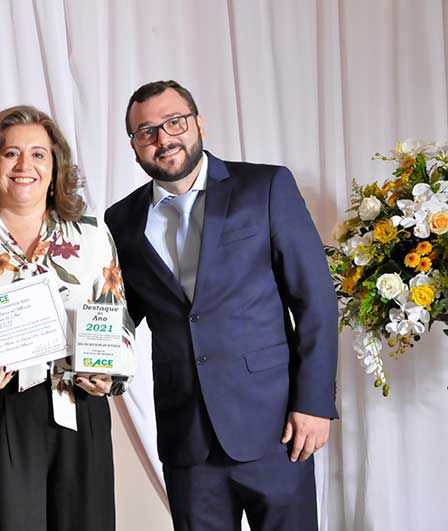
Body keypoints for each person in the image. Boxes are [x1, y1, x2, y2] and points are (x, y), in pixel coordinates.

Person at [104, 80, 338, 531]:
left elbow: (315, 300)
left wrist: (314, 403)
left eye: (175, 122)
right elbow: (119, 316)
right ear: (134, 146)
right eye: (146, 131)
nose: (163, 138)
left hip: (276, 427)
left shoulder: (266, 186)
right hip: (187, 438)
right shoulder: (122, 219)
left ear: (199, 123)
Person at [0, 105, 136, 531]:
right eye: (11, 153)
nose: (25, 166)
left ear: (55, 165)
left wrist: (109, 375)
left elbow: (118, 321)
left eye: (38, 154)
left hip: (78, 407)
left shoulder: (92, 234)